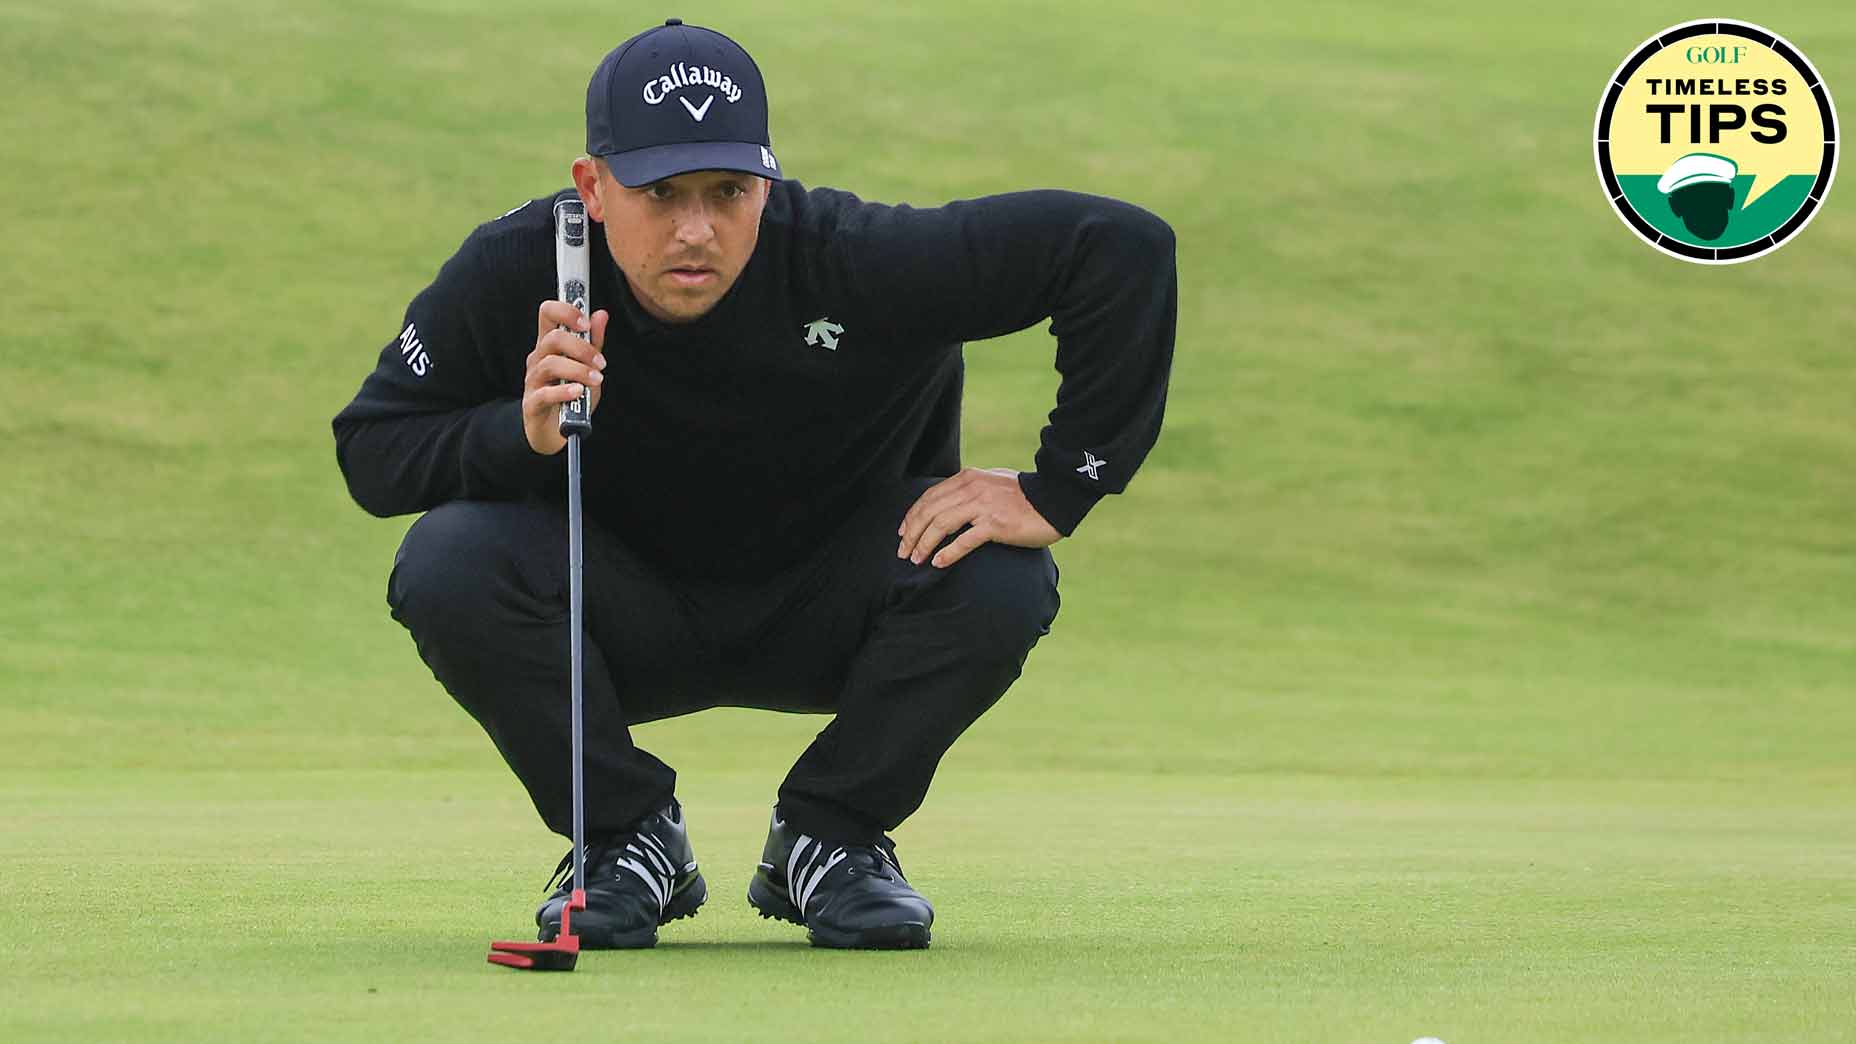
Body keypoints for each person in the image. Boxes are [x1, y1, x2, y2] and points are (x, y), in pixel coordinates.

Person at [331, 18, 1176, 951]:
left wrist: (1058, 491)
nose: (696, 229)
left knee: (999, 572)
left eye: (728, 192)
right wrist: (514, 432)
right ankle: (624, 838)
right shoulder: (521, 267)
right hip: (619, 619)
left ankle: (832, 836)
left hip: (837, 606)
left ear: (765, 185)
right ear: (594, 186)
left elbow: (1120, 248)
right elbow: (373, 450)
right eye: (661, 193)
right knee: (446, 559)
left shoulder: (851, 257)